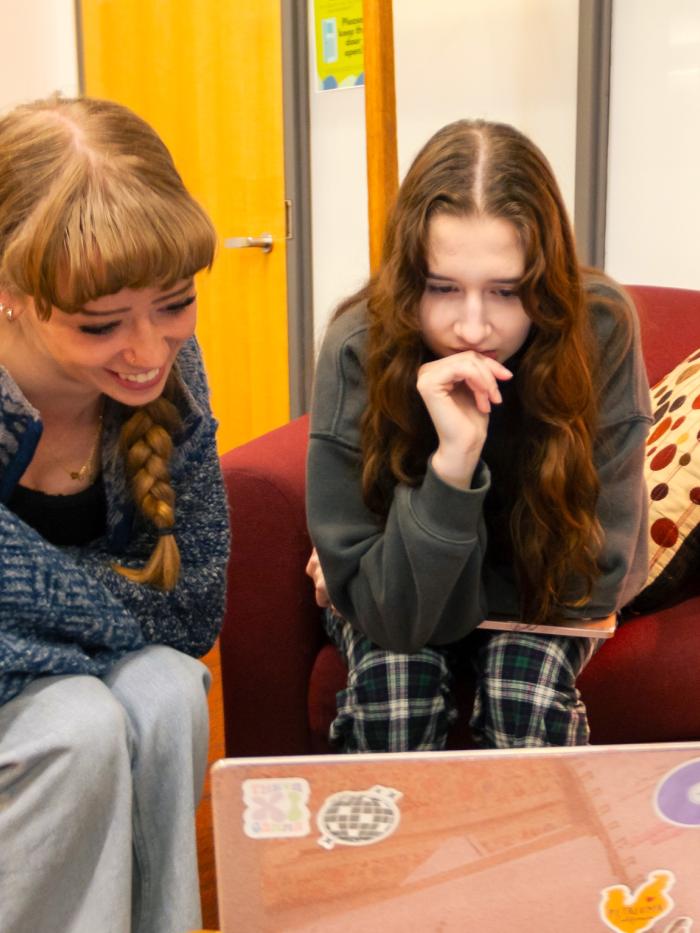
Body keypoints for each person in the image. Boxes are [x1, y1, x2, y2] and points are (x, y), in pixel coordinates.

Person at [305, 118, 651, 754]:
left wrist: (413, 567)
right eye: (441, 288)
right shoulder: (359, 342)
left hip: (489, 590)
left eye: (506, 292)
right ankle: (395, 859)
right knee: (393, 696)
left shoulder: (599, 328)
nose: (471, 327)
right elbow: (390, 616)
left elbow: (595, 575)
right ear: (409, 279)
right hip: (409, 597)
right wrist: (454, 465)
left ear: (544, 284)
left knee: (525, 698)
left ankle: (535, 856)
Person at [0, 96, 229, 933]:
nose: (148, 352)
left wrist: (33, 606)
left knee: (169, 690)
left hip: (66, 680)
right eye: (101, 324)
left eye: (175, 303)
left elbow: (194, 605)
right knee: (78, 723)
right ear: (11, 293)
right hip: (50, 717)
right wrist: (118, 605)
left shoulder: (167, 364)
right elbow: (159, 602)